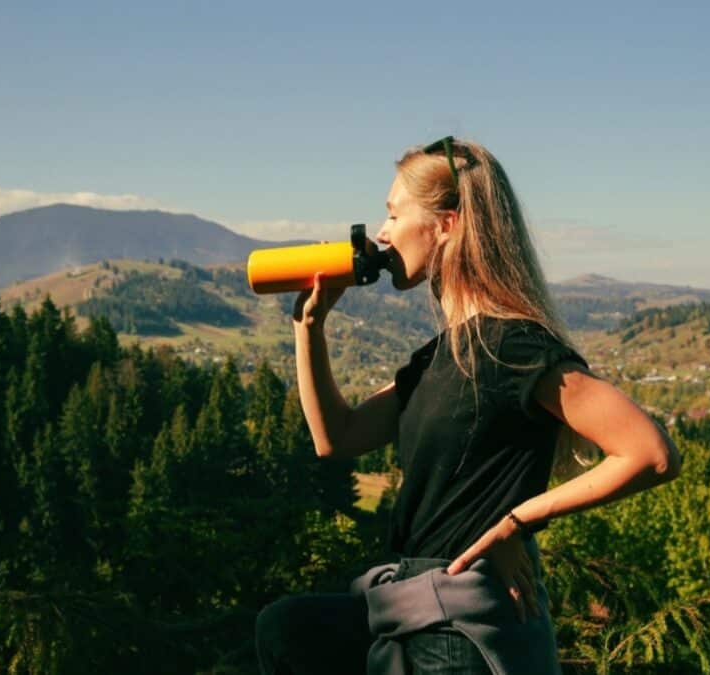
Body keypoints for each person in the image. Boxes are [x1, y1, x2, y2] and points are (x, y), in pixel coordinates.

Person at [255, 136, 682, 674]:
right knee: (286, 629)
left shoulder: (512, 346)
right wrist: (309, 327)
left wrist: (516, 523)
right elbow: (336, 438)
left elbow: (650, 452)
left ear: (447, 224)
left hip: (460, 628)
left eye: (392, 214)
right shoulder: (438, 358)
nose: (382, 233)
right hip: (411, 607)